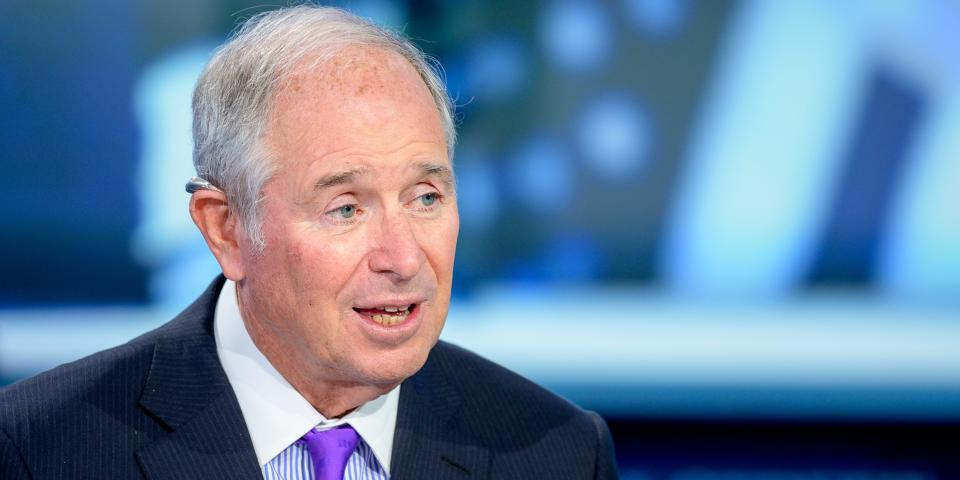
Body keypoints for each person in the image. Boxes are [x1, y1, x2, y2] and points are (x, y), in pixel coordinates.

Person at [0, 5, 618, 479]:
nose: (403, 259)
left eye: (425, 197)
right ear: (226, 228)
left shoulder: (557, 451)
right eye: (345, 209)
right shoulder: (40, 448)